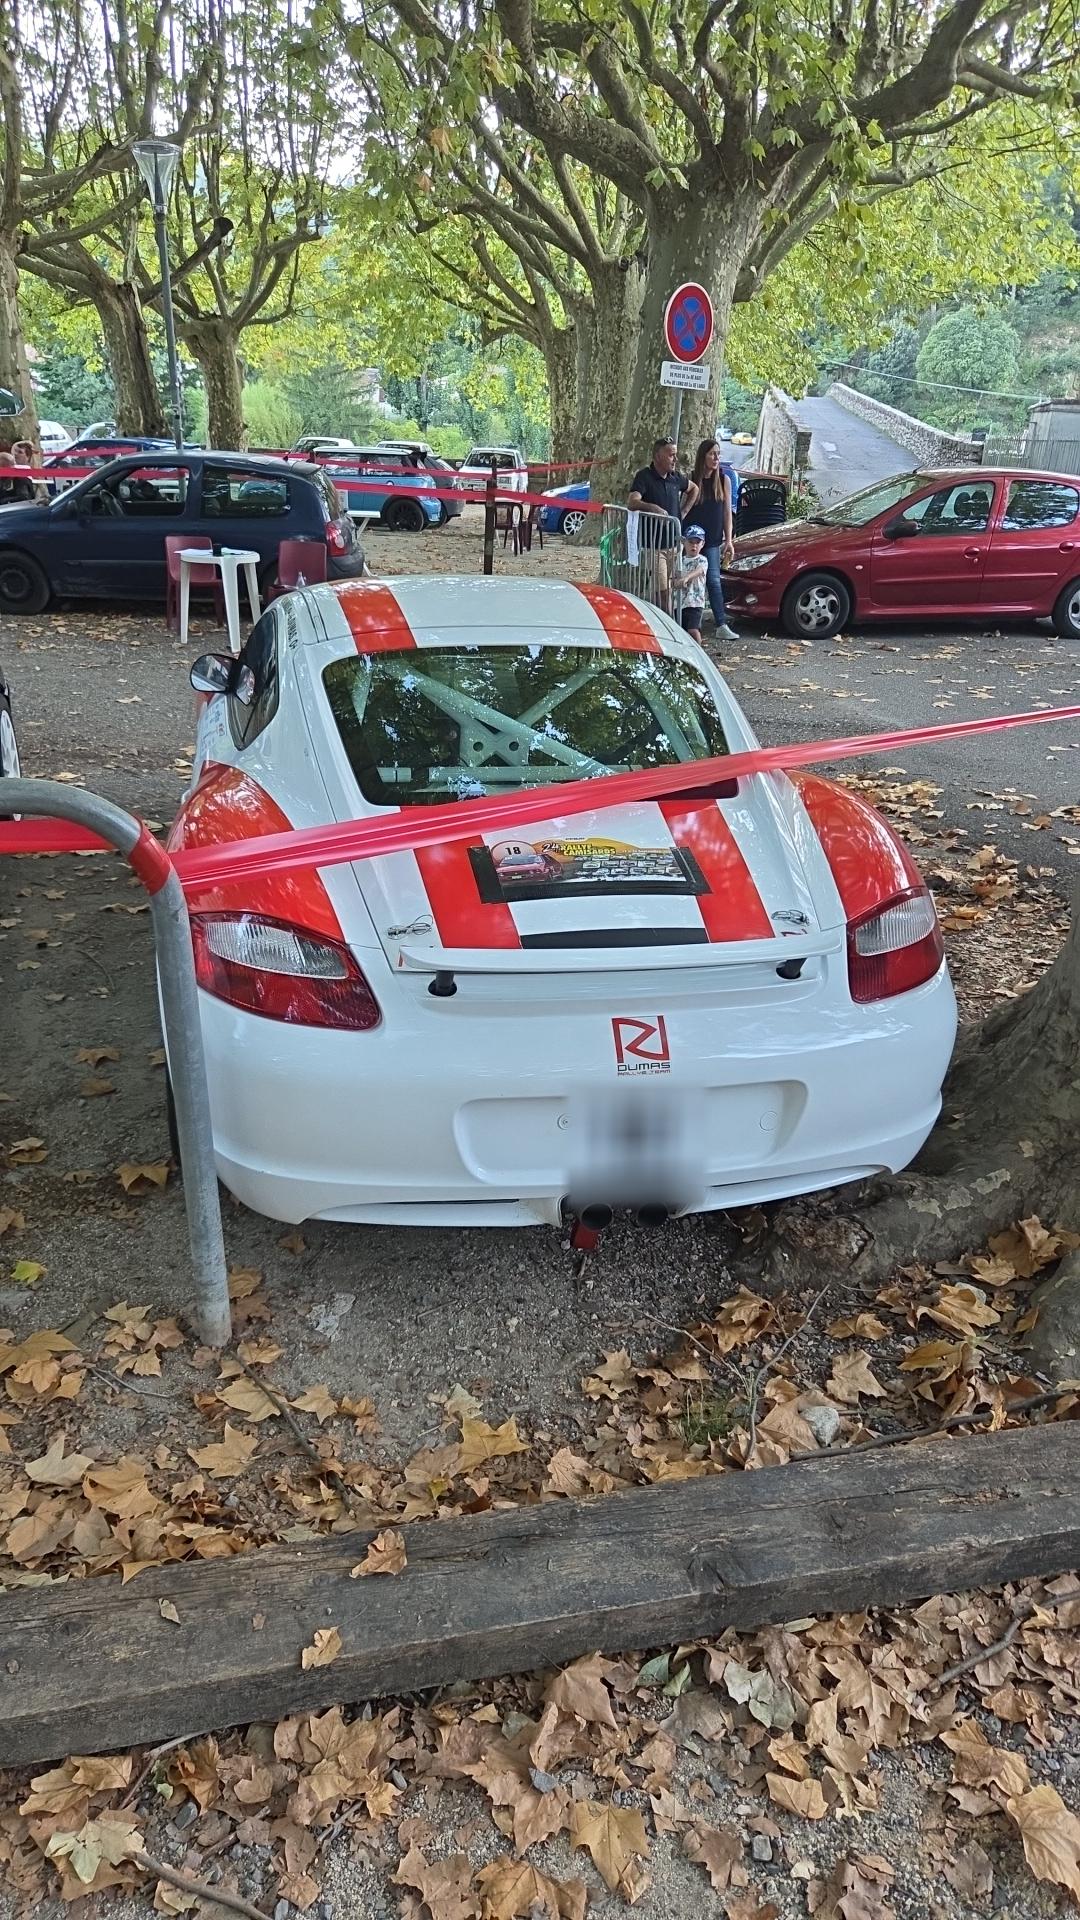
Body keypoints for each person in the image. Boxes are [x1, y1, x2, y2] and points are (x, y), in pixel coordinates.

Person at [628, 436, 689, 612]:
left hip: (674, 545)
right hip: (654, 547)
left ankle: (660, 619)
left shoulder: (675, 477)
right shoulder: (644, 476)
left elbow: (693, 489)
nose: (675, 460)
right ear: (658, 456)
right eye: (671, 455)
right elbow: (632, 502)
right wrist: (652, 507)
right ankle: (670, 626)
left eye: (675, 455)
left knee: (666, 588)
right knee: (664, 591)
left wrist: (683, 511)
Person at [686, 438, 738, 640]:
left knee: (713, 581)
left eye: (718, 454)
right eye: (712, 454)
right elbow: (685, 507)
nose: (716, 458)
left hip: (713, 539)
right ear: (703, 456)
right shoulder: (691, 479)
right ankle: (690, 622)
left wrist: (729, 539)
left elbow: (727, 512)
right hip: (692, 537)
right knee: (690, 579)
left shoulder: (724, 479)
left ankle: (721, 623)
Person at [673, 526, 707, 641]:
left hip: (695, 602)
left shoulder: (702, 559)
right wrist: (676, 583)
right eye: (691, 542)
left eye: (697, 542)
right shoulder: (679, 561)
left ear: (702, 544)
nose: (694, 546)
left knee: (693, 629)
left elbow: (700, 570)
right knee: (681, 630)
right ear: (684, 542)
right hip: (680, 602)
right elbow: (674, 578)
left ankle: (700, 653)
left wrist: (687, 578)